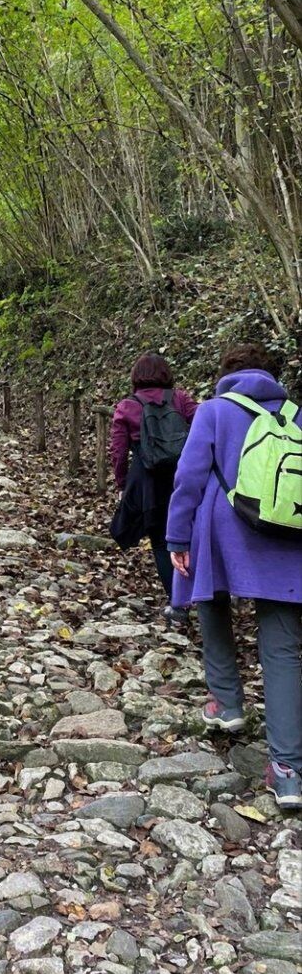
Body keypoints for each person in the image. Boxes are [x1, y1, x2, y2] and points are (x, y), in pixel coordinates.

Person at [166, 341, 302, 808]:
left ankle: (227, 706)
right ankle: (288, 772)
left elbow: (189, 476)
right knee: (282, 648)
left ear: (226, 373)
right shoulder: (295, 414)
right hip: (285, 535)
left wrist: (177, 538)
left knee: (211, 602)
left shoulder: (214, 410)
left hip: (222, 528)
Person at [109, 353, 197, 624]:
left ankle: (179, 606)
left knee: (161, 542)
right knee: (191, 537)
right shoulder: (180, 399)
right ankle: (206, 597)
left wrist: (122, 483)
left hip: (149, 483)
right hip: (184, 477)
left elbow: (118, 452)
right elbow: (204, 429)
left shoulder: (127, 406)